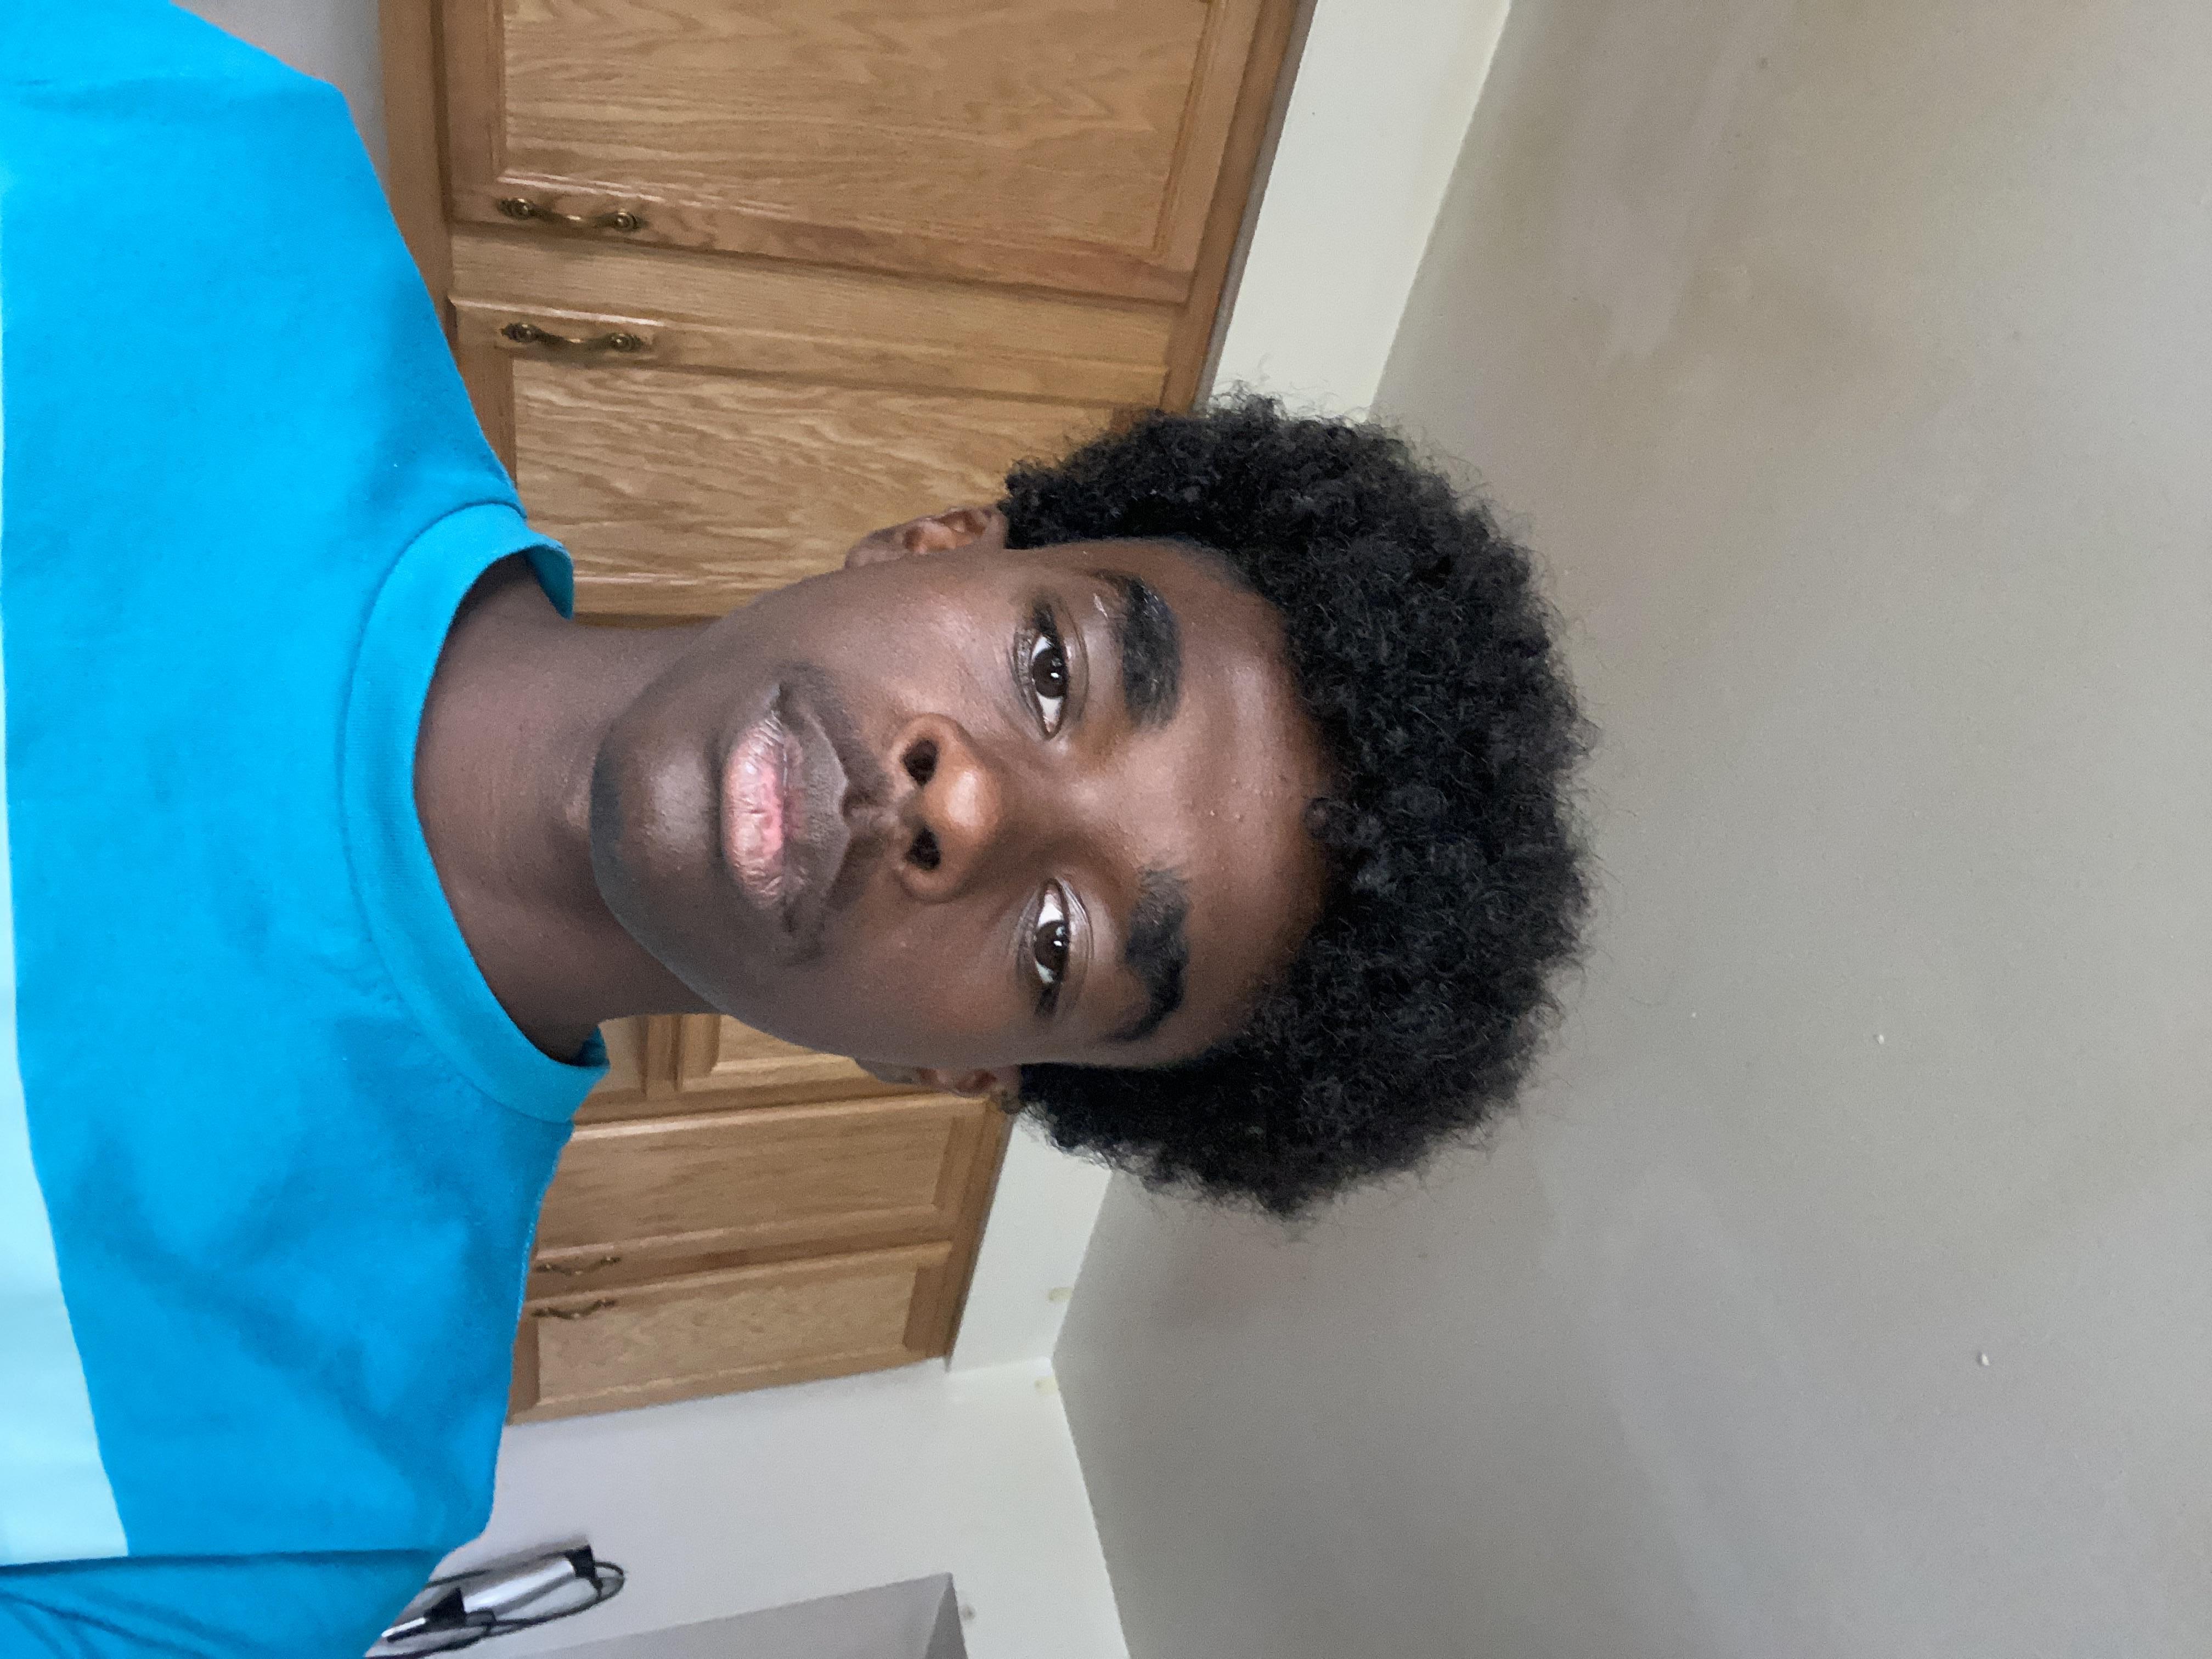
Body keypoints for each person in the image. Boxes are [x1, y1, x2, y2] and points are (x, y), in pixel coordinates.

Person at [0, 5, 1585, 1655]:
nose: (966, 802)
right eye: (1054, 671)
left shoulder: (293, 1508)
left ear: (953, 1071)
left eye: (1064, 944)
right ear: (939, 540)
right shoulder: (197, 174)